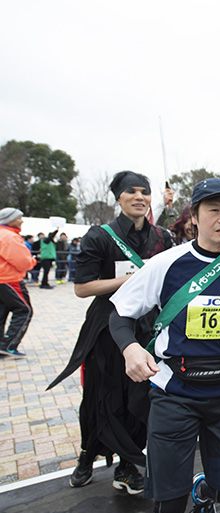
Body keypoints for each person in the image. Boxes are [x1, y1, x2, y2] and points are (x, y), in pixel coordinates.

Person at [110, 177, 220, 513]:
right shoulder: (166, 264)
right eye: (214, 210)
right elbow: (120, 314)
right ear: (195, 217)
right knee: (169, 503)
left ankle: (205, 494)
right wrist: (130, 349)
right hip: (175, 393)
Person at [47, 171, 173, 494]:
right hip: (105, 327)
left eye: (145, 192)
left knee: (139, 396)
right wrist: (133, 282)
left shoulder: (161, 237)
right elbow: (82, 287)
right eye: (131, 191)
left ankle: (128, 465)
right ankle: (87, 455)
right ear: (118, 198)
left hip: (147, 328)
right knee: (99, 397)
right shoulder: (99, 236)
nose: (139, 197)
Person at [0, 208, 36, 358]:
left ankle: (2, 344)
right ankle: (8, 345)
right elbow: (23, 262)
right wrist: (32, 261)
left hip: (2, 280)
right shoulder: (10, 237)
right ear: (9, 219)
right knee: (24, 310)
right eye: (19, 218)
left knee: (2, 312)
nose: (21, 220)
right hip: (10, 279)